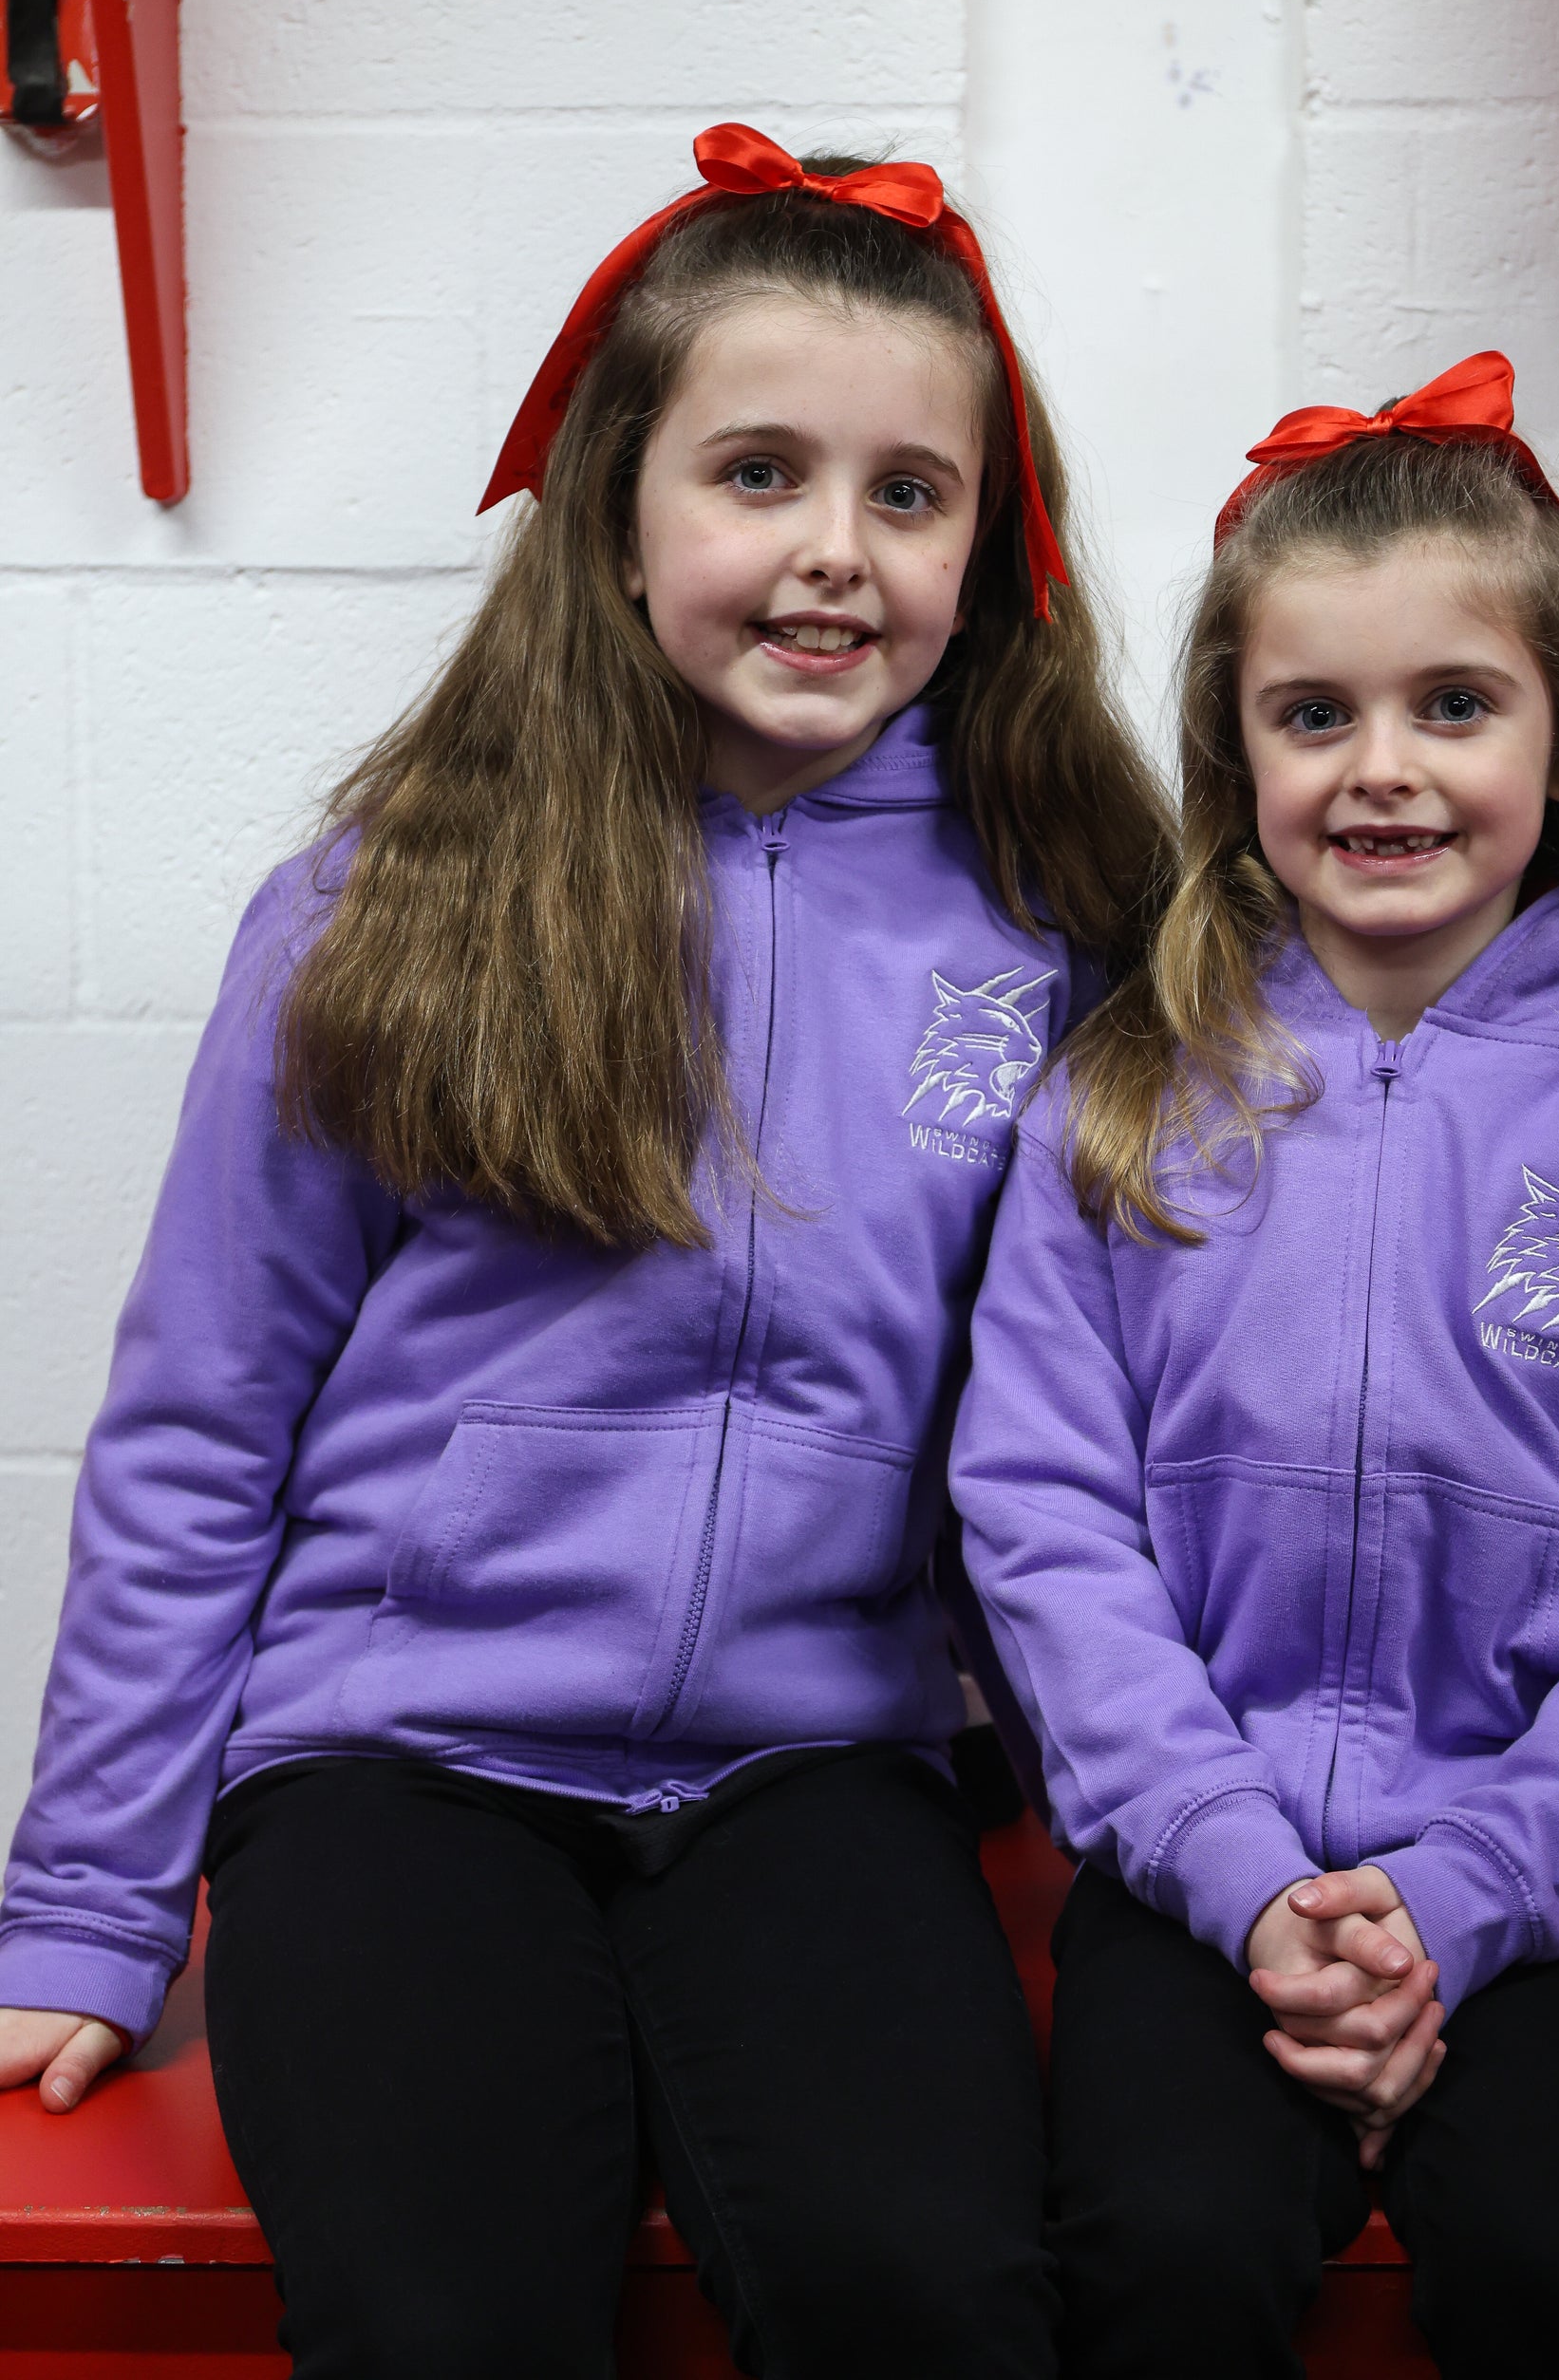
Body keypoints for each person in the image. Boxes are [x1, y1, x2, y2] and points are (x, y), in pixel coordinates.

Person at [0, 124, 1169, 2380]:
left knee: (930, 2289)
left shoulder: (1050, 924)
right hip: (393, 1756)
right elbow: (198, 1422)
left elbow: (1099, 1427)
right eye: (758, 472)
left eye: (909, 492)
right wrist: (85, 1901)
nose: (834, 549)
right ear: (618, 513)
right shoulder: (393, 902)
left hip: (822, 1765)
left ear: (986, 549)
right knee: (441, 2318)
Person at [949, 352, 1559, 2380]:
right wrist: (1244, 1872)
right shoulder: (1118, 1105)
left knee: (1553, 2262)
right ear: (1233, 746)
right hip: (1197, 1863)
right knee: (1162, 2250)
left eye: (1453, 703)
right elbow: (1043, 1521)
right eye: (1313, 712)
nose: (1383, 768)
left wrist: (1464, 1894)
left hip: (1558, 1874)